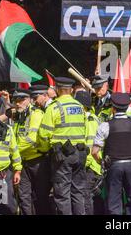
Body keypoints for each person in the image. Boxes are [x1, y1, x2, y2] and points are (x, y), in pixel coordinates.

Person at [37, 77, 89, 215]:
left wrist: (43, 149)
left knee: (62, 194)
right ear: (71, 90)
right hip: (80, 153)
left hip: (62, 157)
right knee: (78, 192)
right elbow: (86, 129)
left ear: (58, 90)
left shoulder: (54, 107)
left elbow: (43, 134)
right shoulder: (79, 107)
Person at [92, 92, 131, 215]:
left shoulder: (105, 125)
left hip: (113, 166)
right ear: (127, 107)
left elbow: (94, 151)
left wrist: (101, 161)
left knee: (113, 201)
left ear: (113, 107)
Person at [14, 87, 51, 215]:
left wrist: (13, 151)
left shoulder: (36, 114)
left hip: (38, 162)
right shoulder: (20, 116)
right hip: (23, 162)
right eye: (15, 100)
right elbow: (15, 137)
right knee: (24, 197)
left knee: (41, 197)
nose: (17, 103)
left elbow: (31, 139)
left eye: (21, 100)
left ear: (29, 100)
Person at [74, 90, 105, 215]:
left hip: (91, 166)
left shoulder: (91, 120)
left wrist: (84, 163)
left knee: (86, 197)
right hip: (88, 164)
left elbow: (91, 146)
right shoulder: (85, 119)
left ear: (82, 106)